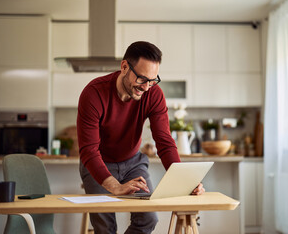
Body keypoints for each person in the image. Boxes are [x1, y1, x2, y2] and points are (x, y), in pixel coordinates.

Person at [77, 41, 205, 234]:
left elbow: (164, 142)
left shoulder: (153, 94)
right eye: (142, 79)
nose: (146, 87)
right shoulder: (94, 93)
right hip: (98, 163)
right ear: (124, 67)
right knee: (104, 228)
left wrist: (185, 181)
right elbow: (88, 150)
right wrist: (114, 185)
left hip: (132, 163)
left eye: (153, 80)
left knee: (148, 218)